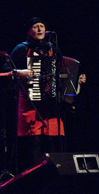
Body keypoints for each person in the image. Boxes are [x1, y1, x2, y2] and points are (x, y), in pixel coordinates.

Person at [6, 17, 86, 171]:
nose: (40, 29)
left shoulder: (52, 49)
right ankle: (31, 178)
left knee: (52, 142)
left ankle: (53, 178)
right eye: (36, 26)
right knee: (33, 144)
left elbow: (64, 73)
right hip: (31, 101)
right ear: (29, 31)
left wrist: (76, 81)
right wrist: (20, 72)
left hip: (51, 104)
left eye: (42, 26)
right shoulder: (22, 49)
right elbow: (6, 70)